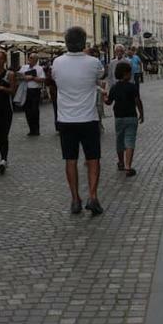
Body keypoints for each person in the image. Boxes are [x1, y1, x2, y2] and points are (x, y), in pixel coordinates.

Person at [52, 26, 105, 215]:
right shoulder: (93, 62)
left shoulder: (57, 63)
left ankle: (75, 199)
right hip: (88, 118)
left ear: (66, 42)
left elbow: (55, 79)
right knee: (93, 159)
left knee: (70, 160)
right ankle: (93, 196)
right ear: (83, 43)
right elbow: (101, 76)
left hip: (66, 119)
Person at [104, 60, 144, 177]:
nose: (131, 74)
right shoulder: (132, 87)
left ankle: (121, 162)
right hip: (131, 116)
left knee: (119, 140)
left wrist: (105, 97)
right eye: (129, 72)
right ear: (125, 74)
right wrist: (141, 113)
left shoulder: (114, 88)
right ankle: (128, 166)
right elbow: (137, 101)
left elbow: (109, 102)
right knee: (130, 140)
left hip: (119, 117)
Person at [19, 52, 45, 136]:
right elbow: (18, 76)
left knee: (35, 110)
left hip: (35, 91)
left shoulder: (39, 68)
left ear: (36, 60)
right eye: (29, 57)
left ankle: (36, 130)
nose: (29, 59)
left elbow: (42, 79)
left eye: (32, 58)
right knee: (27, 111)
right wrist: (23, 77)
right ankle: (31, 129)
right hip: (26, 90)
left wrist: (32, 78)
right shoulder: (24, 67)